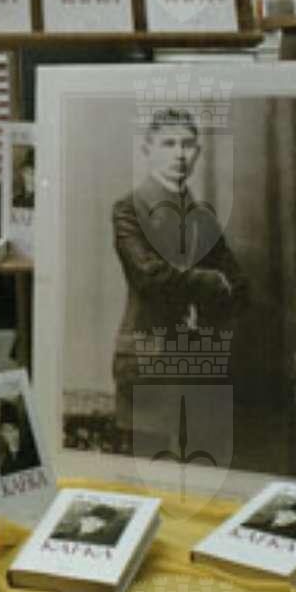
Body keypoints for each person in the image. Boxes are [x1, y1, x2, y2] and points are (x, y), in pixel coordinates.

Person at [111, 108, 247, 391]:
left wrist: (212, 326)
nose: (179, 154)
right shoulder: (129, 209)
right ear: (148, 150)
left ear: (197, 152)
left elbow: (238, 286)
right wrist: (212, 281)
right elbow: (150, 277)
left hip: (202, 360)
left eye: (187, 145)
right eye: (168, 144)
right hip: (146, 358)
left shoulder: (203, 219)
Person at [51, 499, 129, 548]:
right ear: (83, 519)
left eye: (103, 523)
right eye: (96, 521)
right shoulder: (59, 536)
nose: (99, 526)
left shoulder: (101, 543)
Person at [0, 401, 40, 476]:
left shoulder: (32, 455)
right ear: (2, 433)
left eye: (14, 429)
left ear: (19, 430)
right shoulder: (2, 464)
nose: (12, 435)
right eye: (7, 431)